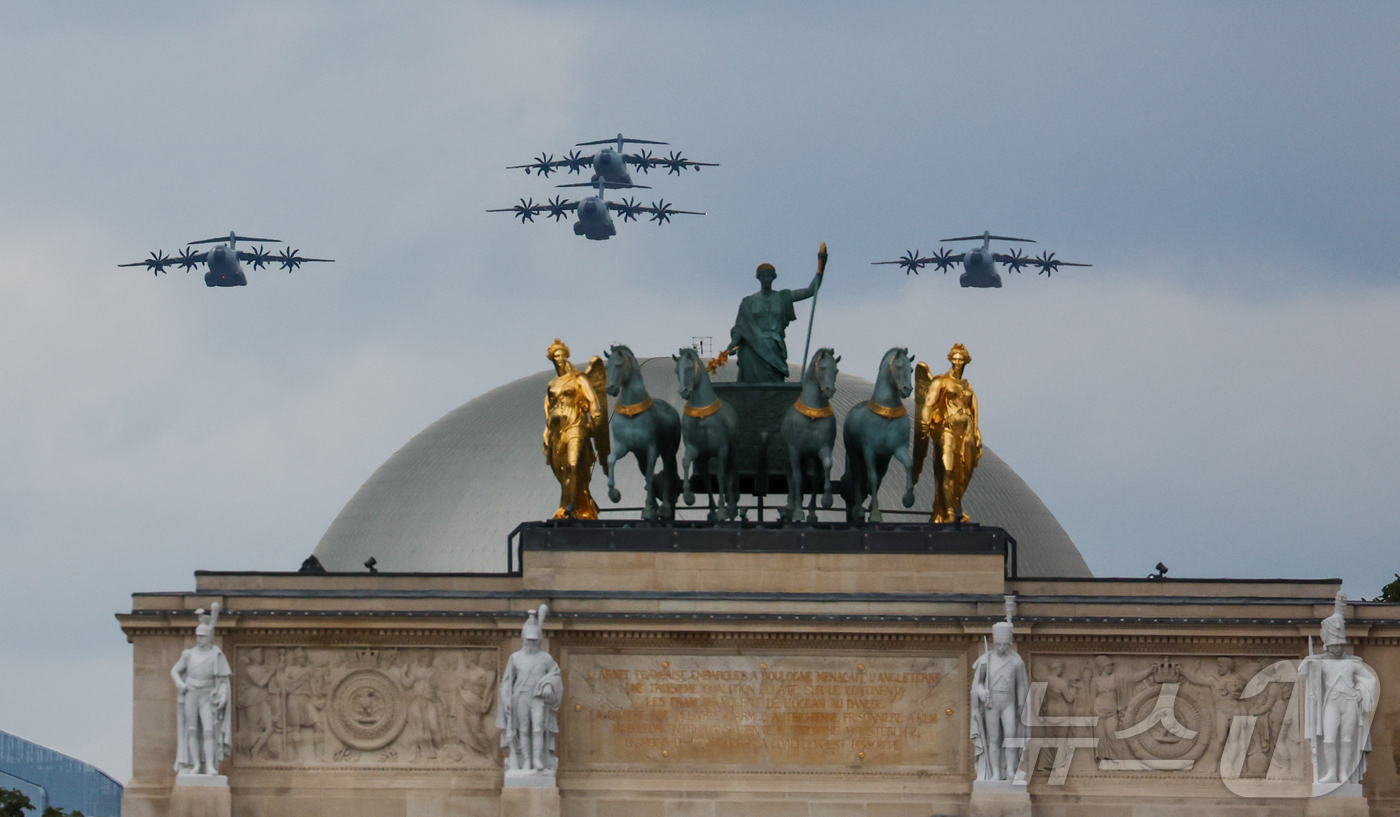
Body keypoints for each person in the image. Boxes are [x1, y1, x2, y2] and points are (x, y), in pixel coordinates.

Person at [1299, 592, 1378, 785]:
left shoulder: (1353, 663)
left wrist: (1360, 692)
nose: (1337, 649)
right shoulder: (1321, 662)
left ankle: (1343, 774)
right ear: (1327, 645)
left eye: (1340, 645)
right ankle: (1331, 773)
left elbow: (1370, 679)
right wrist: (1309, 662)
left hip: (1349, 702)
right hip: (1331, 703)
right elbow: (1302, 673)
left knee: (1347, 740)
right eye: (1334, 645)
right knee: (1328, 739)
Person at [915, 344, 981, 523]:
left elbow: (974, 413)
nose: (957, 362)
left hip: (967, 431)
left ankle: (956, 502)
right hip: (947, 430)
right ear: (950, 360)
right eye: (955, 359)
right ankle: (948, 511)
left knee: (965, 472)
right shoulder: (940, 381)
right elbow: (928, 403)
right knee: (948, 470)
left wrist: (977, 435)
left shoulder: (968, 387)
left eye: (961, 359)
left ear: (966, 361)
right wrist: (925, 422)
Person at [543, 339, 608, 519]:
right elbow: (549, 410)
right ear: (552, 359)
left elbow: (594, 403)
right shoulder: (552, 385)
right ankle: (580, 504)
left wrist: (593, 426)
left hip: (576, 427)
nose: (560, 359)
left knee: (573, 464)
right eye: (556, 356)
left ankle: (569, 506)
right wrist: (546, 431)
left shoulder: (579, 379)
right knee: (561, 469)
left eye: (562, 356)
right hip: (557, 431)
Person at [728, 262, 822, 383]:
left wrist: (820, 270)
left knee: (775, 385)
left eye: (769, 276)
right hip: (753, 349)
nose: (766, 279)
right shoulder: (748, 302)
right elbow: (740, 327)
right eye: (763, 276)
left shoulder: (783, 297)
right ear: (759, 278)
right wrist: (733, 343)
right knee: (751, 387)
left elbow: (810, 291)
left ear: (773, 278)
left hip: (774, 347)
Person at [497, 606, 562, 773]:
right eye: (528, 640)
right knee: (523, 729)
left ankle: (538, 759)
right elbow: (506, 682)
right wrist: (506, 700)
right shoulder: (515, 657)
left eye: (534, 640)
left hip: (538, 698)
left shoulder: (546, 658)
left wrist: (548, 684)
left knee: (539, 727)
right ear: (523, 639)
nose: (531, 643)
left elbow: (555, 675)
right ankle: (526, 760)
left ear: (539, 640)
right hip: (521, 697)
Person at [171, 604, 233, 776]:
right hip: (191, 692)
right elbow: (174, 671)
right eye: (198, 636)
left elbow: (222, 679)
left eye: (203, 637)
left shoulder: (216, 653)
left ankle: (210, 766)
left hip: (207, 694)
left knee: (208, 730)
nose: (200, 639)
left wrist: (222, 693)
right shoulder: (188, 654)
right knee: (191, 729)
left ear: (209, 637)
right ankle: (196, 765)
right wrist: (180, 684)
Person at [971, 620, 1030, 781]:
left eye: (1004, 644)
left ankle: (1010, 771)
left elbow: (1021, 685)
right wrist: (981, 691)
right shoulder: (986, 660)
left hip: (1009, 703)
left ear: (1009, 642)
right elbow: (978, 684)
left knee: (1010, 736)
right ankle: (996, 773)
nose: (1001, 648)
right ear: (994, 642)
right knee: (994, 739)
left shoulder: (1016, 660)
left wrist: (1020, 705)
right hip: (992, 704)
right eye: (999, 645)